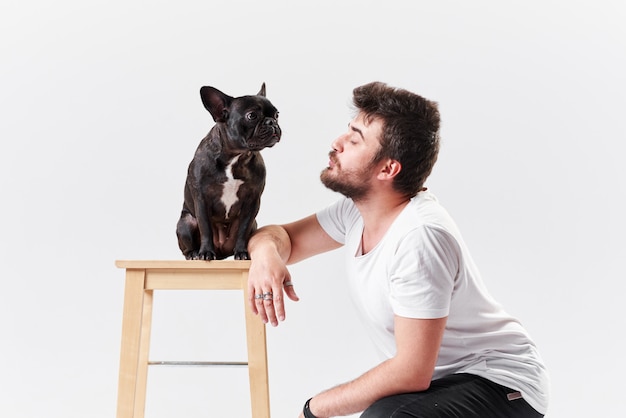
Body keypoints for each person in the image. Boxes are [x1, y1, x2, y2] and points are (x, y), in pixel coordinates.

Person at [247, 81, 549, 418]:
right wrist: (265, 256)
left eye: (354, 139)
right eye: (348, 131)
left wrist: (313, 408)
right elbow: (279, 235)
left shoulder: (419, 237)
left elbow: (410, 371)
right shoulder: (356, 212)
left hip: (501, 386)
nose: (337, 143)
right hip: (442, 385)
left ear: (388, 168)